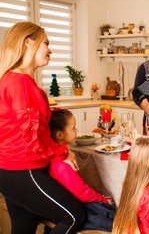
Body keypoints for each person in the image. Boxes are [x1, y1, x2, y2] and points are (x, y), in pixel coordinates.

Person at [0, 22, 85, 233]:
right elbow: (32, 136)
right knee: (74, 216)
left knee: (24, 226)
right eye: (45, 43)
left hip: (8, 170)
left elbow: (23, 126)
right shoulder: (21, 83)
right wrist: (62, 152)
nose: (50, 49)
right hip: (24, 169)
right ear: (28, 43)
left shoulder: (9, 79)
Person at [48, 108, 115, 232]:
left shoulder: (55, 156)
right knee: (111, 217)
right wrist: (102, 199)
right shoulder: (63, 165)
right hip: (70, 209)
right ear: (60, 135)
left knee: (105, 210)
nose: (77, 130)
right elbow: (82, 192)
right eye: (73, 128)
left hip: (64, 207)